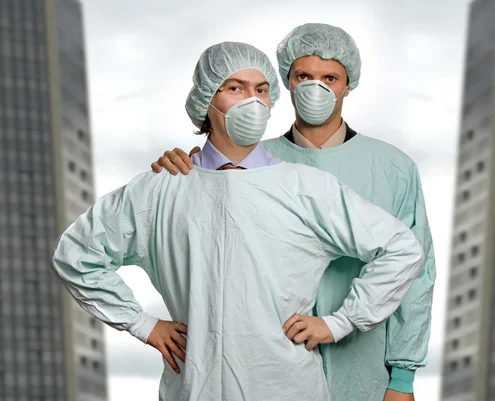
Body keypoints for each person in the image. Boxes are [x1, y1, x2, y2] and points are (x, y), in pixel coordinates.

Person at [51, 41, 425, 401]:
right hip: (193, 386)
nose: (253, 101)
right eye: (235, 87)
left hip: (287, 387)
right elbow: (78, 254)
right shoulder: (161, 189)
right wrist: (142, 324)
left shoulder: (305, 187)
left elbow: (401, 249)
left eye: (262, 90)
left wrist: (340, 322)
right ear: (206, 99)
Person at [151, 24, 436, 401]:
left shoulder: (392, 167)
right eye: (304, 76)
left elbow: (416, 273)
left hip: (364, 363)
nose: (315, 88)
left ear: (348, 85)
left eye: (330, 77)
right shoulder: (247, 165)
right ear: (286, 80)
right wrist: (191, 167)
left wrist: (402, 377)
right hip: (268, 371)